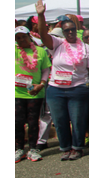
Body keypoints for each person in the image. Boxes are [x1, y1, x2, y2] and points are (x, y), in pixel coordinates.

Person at [35, 0, 89, 161]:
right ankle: (65, 147)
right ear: (63, 33)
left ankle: (77, 147)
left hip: (78, 88)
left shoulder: (85, 48)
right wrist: (41, 15)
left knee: (78, 120)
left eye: (72, 30)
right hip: (56, 90)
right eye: (66, 31)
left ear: (75, 30)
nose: (70, 33)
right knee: (60, 120)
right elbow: (43, 34)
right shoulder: (57, 44)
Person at [15, 26, 52, 163]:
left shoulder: (41, 51)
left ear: (29, 36)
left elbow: (45, 70)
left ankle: (33, 149)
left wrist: (41, 84)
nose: (21, 40)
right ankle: (18, 149)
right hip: (16, 93)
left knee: (33, 122)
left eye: (23, 36)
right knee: (17, 122)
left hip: (35, 91)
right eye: (18, 38)